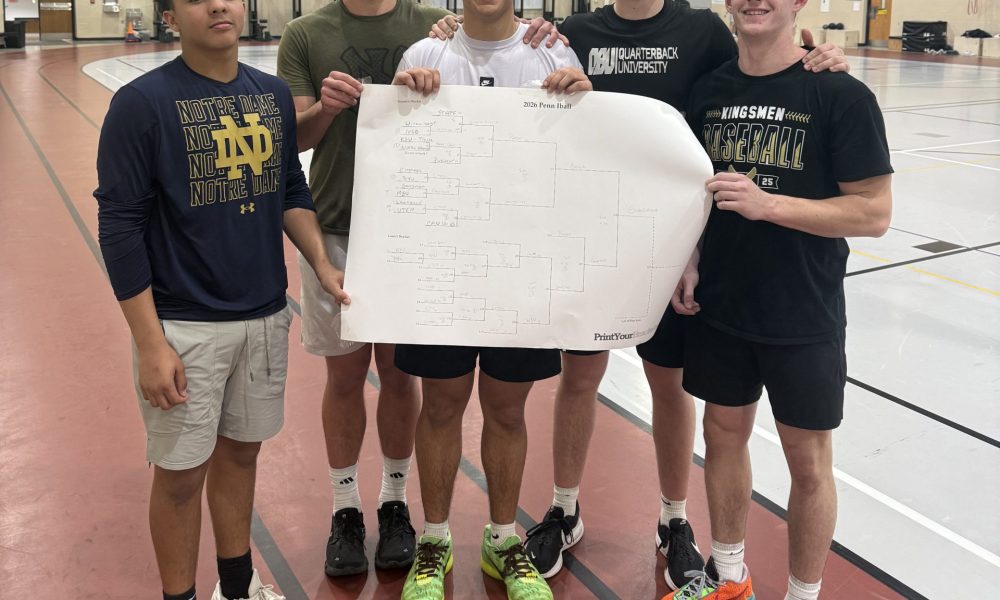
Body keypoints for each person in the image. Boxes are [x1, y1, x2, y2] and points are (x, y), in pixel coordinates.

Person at [431, 1, 849, 589]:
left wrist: (816, 54)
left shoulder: (703, 30)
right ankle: (564, 507)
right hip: (590, 234)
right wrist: (448, 29)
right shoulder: (573, 32)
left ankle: (674, 520)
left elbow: (764, 68)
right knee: (578, 379)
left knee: (669, 385)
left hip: (671, 243)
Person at [275, 0, 562, 577]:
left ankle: (396, 504)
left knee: (405, 379)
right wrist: (330, 110)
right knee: (345, 375)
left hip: (431, 239)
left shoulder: (436, 27)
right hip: (338, 223)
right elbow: (295, 141)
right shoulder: (308, 33)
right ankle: (346, 509)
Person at [94, 0, 348, 598]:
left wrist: (320, 263)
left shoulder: (271, 95)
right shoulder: (141, 105)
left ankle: (238, 588)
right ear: (170, 17)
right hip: (184, 327)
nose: (218, 5)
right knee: (181, 479)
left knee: (240, 460)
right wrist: (150, 344)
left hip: (263, 316)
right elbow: (120, 228)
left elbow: (288, 185)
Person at [667, 0, 892, 597]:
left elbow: (873, 212)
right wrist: (688, 260)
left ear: (798, 3)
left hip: (804, 309)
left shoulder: (839, 94)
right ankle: (730, 577)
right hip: (722, 304)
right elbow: (692, 191)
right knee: (721, 436)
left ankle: (802, 593)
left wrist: (769, 204)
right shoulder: (709, 90)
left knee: (809, 462)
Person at [389, 5, 591, 599]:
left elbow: (580, 163)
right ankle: (434, 539)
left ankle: (504, 538)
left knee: (507, 410)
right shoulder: (425, 55)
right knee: (442, 405)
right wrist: (402, 103)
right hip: (443, 265)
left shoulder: (552, 53)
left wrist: (583, 101)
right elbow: (398, 159)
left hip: (522, 269)